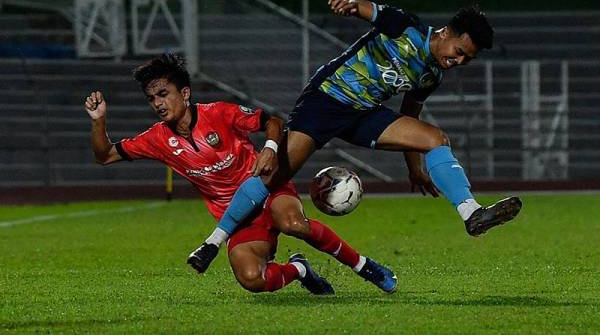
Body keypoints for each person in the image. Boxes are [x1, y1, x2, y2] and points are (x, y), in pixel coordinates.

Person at [190, 0, 523, 273]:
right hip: (326, 100)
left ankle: (471, 213)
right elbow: (371, 11)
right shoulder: (407, 28)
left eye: (467, 59)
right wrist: (349, 4)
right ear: (447, 32)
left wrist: (414, 167)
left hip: (364, 114)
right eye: (459, 51)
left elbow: (410, 115)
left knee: (435, 138)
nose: (459, 61)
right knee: (274, 176)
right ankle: (212, 243)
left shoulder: (431, 75)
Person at [84, 53, 397, 294]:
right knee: (251, 280)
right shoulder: (156, 139)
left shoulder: (218, 113)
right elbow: (105, 155)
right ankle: (299, 270)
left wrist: (270, 148)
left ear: (186, 93)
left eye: (163, 94)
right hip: (237, 219)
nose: (158, 103)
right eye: (152, 98)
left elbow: (272, 121)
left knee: (292, 224)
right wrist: (99, 121)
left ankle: (364, 266)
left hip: (270, 191)